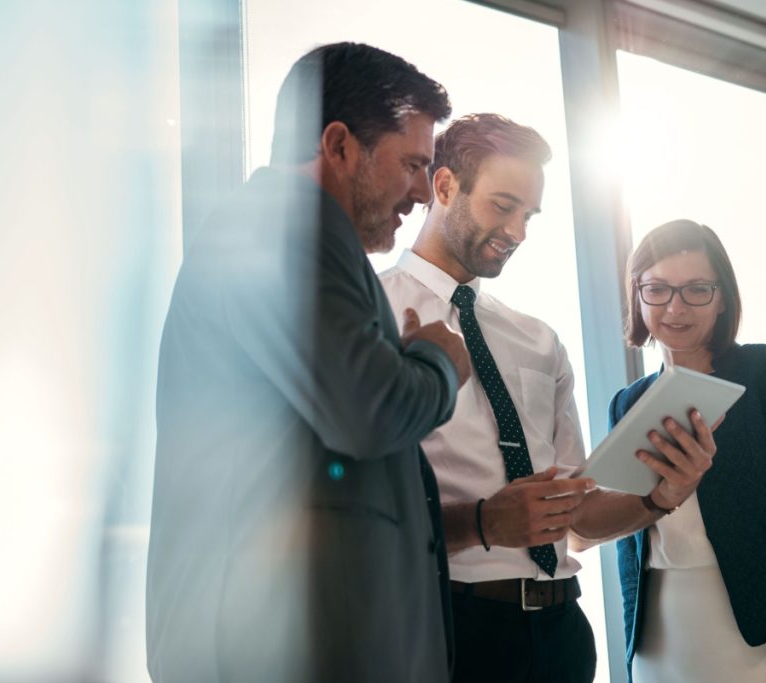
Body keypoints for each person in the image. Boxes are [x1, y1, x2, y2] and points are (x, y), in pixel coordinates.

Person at [146, 42, 472, 683]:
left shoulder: (285, 234)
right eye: (410, 164)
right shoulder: (283, 225)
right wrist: (439, 358)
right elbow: (370, 409)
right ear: (339, 144)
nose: (418, 194)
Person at [380, 114, 717, 683]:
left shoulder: (538, 340)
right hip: (449, 627)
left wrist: (661, 498)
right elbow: (358, 511)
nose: (518, 231)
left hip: (562, 634)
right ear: (443, 187)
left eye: (529, 215)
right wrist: (484, 522)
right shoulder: (372, 314)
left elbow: (577, 513)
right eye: (503, 205)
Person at [611, 219, 766, 683]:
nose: (675, 307)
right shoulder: (626, 403)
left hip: (761, 643)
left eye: (696, 289)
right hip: (658, 644)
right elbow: (631, 547)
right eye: (657, 289)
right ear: (637, 295)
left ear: (722, 298)